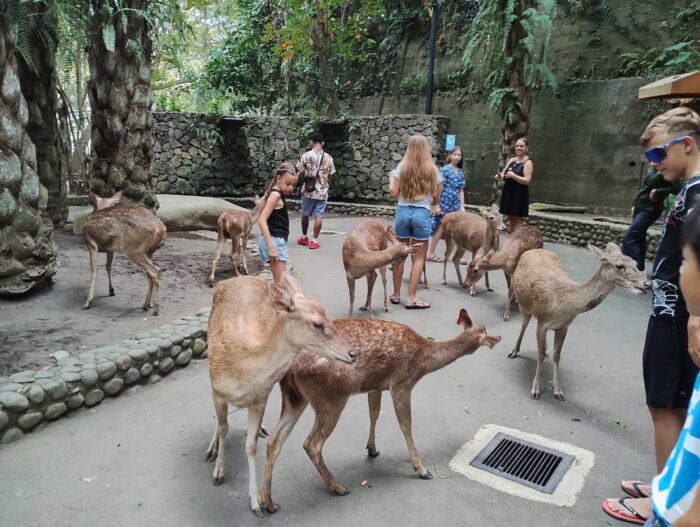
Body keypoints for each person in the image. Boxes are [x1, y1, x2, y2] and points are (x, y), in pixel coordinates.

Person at [603, 107, 700, 525]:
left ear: (687, 144)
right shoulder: (689, 188)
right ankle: (669, 482)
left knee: (663, 404)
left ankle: (661, 501)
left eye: (659, 154)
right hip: (673, 309)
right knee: (673, 402)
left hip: (679, 315)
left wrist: (695, 314)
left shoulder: (698, 194)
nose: (655, 164)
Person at [639, 202, 700, 527]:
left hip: (675, 515)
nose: (680, 268)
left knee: (665, 403)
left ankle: (658, 497)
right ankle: (660, 487)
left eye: (686, 261)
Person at [388, 134, 442, 309]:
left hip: (403, 212)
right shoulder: (432, 170)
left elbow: (393, 193)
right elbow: (435, 199)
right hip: (422, 213)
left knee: (400, 254)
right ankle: (411, 298)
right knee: (418, 258)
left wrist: (391, 178)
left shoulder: (401, 168)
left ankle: (396, 295)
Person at [623, 167, 679, 271]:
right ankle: (640, 269)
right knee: (639, 238)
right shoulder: (652, 168)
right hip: (640, 206)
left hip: (650, 209)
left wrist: (658, 191)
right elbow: (646, 185)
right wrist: (635, 204)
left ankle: (634, 271)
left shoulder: (666, 168)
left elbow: (677, 189)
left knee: (629, 238)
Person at [258, 163, 298, 285]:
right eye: (288, 183)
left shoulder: (275, 193)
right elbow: (261, 220)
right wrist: (271, 246)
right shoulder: (275, 195)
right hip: (274, 241)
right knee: (281, 286)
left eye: (294, 185)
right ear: (278, 178)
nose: (290, 188)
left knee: (279, 285)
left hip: (276, 240)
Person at [296, 132, 336, 250]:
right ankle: (314, 241)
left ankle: (304, 237)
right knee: (319, 215)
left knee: (305, 214)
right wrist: (324, 180)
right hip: (322, 191)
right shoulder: (329, 157)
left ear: (311, 142)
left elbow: (300, 171)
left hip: (308, 190)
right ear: (322, 143)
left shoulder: (306, 155)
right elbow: (332, 174)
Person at [426, 146, 465, 262]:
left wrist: (462, 206)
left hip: (455, 202)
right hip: (444, 200)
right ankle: (430, 252)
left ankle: (455, 255)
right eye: (455, 154)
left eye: (459, 155)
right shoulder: (445, 170)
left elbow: (461, 190)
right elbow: (439, 187)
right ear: (450, 156)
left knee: (454, 228)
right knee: (441, 227)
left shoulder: (461, 171)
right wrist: (436, 204)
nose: (457, 157)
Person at [495, 137, 533, 233]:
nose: (518, 148)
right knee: (511, 217)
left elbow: (527, 180)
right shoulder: (512, 160)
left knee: (517, 219)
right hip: (509, 191)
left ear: (526, 148)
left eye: (521, 146)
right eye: (517, 146)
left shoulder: (527, 162)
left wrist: (514, 176)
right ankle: (511, 239)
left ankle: (519, 242)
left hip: (519, 194)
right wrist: (499, 176)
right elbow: (504, 174)